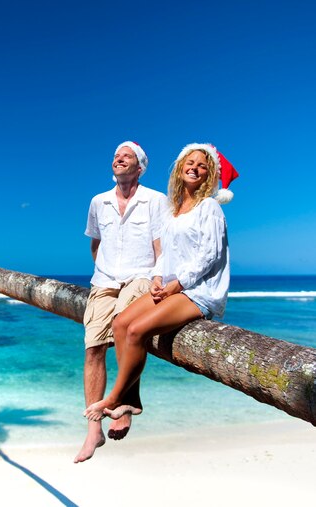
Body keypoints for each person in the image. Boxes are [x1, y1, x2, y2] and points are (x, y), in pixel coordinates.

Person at [83, 143, 239, 425]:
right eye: (189, 162)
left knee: (137, 331)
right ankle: (133, 401)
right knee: (120, 324)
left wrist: (176, 285)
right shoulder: (174, 210)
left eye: (202, 165)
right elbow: (165, 253)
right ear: (180, 168)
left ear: (209, 174)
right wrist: (157, 278)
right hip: (170, 286)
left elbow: (209, 255)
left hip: (197, 292)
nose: (194, 167)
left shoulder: (209, 207)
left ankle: (115, 397)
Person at [75, 141, 168, 463]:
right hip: (103, 280)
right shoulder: (98, 202)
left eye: (126, 157)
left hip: (142, 276)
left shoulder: (155, 200)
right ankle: (92, 430)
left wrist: (159, 279)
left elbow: (161, 246)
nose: (118, 159)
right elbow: (95, 243)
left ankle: (122, 405)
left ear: (139, 167)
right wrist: (102, 269)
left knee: (125, 329)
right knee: (93, 347)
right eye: (116, 156)